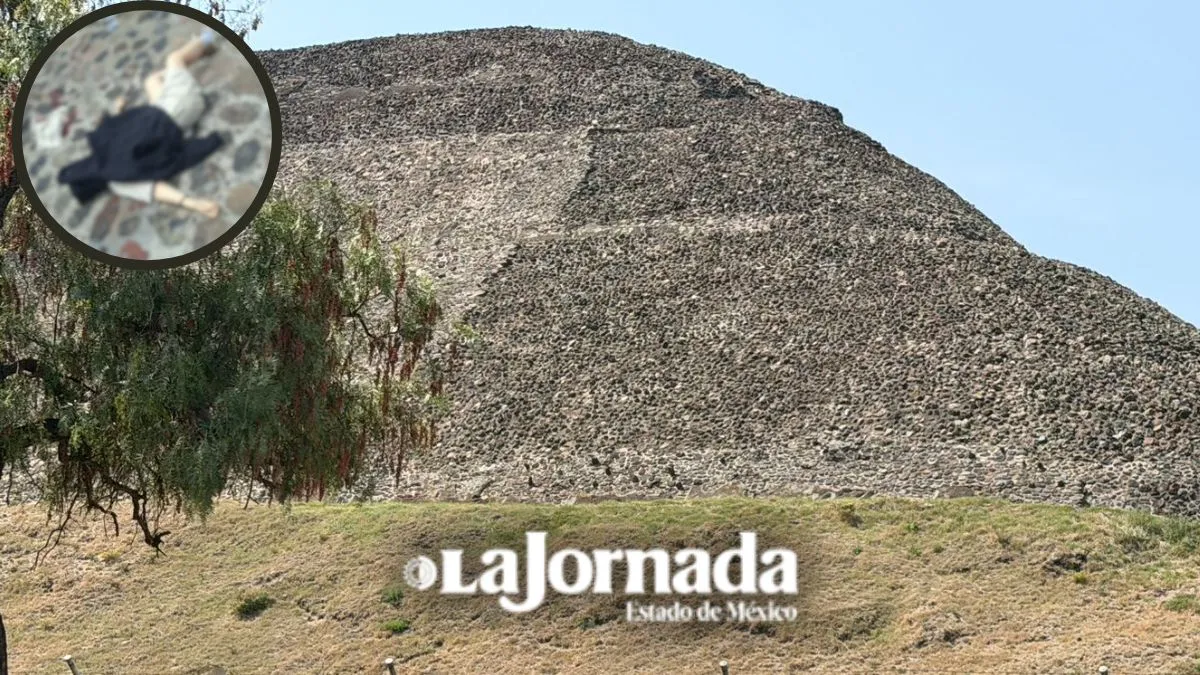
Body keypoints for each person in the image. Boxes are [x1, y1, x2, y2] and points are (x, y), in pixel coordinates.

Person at [57, 29, 225, 219]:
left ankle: (183, 70)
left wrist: (118, 110)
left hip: (170, 113)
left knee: (151, 81)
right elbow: (157, 189)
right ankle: (208, 37)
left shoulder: (117, 180)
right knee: (174, 58)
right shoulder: (105, 151)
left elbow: (153, 188)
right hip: (181, 105)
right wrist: (194, 204)